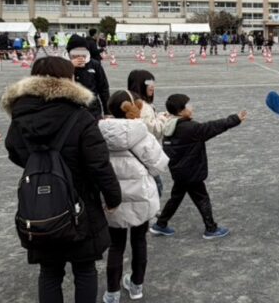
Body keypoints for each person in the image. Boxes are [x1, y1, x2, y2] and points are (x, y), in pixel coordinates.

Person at [2, 56, 122, 303]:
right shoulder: (80, 115)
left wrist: (41, 168)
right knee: (84, 269)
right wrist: (113, 197)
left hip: (40, 204)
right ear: (67, 79)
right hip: (81, 201)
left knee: (49, 272)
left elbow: (14, 151)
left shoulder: (20, 115)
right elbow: (99, 164)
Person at [99, 90, 169, 303]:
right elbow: (159, 165)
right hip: (141, 194)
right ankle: (136, 285)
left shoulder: (98, 133)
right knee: (139, 241)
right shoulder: (141, 133)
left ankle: (112, 293)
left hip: (112, 197)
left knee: (116, 245)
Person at [150, 94, 247, 240]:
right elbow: (212, 127)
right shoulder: (190, 128)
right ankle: (211, 228)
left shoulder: (169, 126)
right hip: (191, 173)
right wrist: (235, 119)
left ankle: (160, 224)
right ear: (181, 111)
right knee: (202, 198)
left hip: (179, 172)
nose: (192, 107)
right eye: (188, 105)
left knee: (175, 198)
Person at [127, 70, 168, 196]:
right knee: (155, 187)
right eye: (148, 83)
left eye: (153, 83)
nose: (152, 86)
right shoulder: (143, 106)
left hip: (140, 154)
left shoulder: (134, 102)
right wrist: (164, 119)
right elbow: (153, 130)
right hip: (146, 154)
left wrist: (158, 116)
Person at [66, 34, 110, 120]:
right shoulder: (62, 64)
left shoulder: (94, 64)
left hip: (92, 110)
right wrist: (69, 67)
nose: (80, 55)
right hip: (70, 110)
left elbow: (103, 88)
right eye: (76, 52)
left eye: (83, 51)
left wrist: (107, 112)